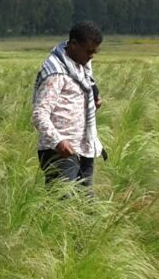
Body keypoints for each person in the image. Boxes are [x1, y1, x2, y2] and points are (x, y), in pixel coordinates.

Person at [31, 21, 104, 190]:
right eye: (88, 51)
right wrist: (58, 141)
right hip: (60, 150)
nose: (91, 56)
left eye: (95, 51)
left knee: (85, 202)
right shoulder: (55, 73)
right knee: (61, 203)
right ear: (73, 45)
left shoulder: (81, 67)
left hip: (84, 145)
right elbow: (39, 114)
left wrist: (93, 103)